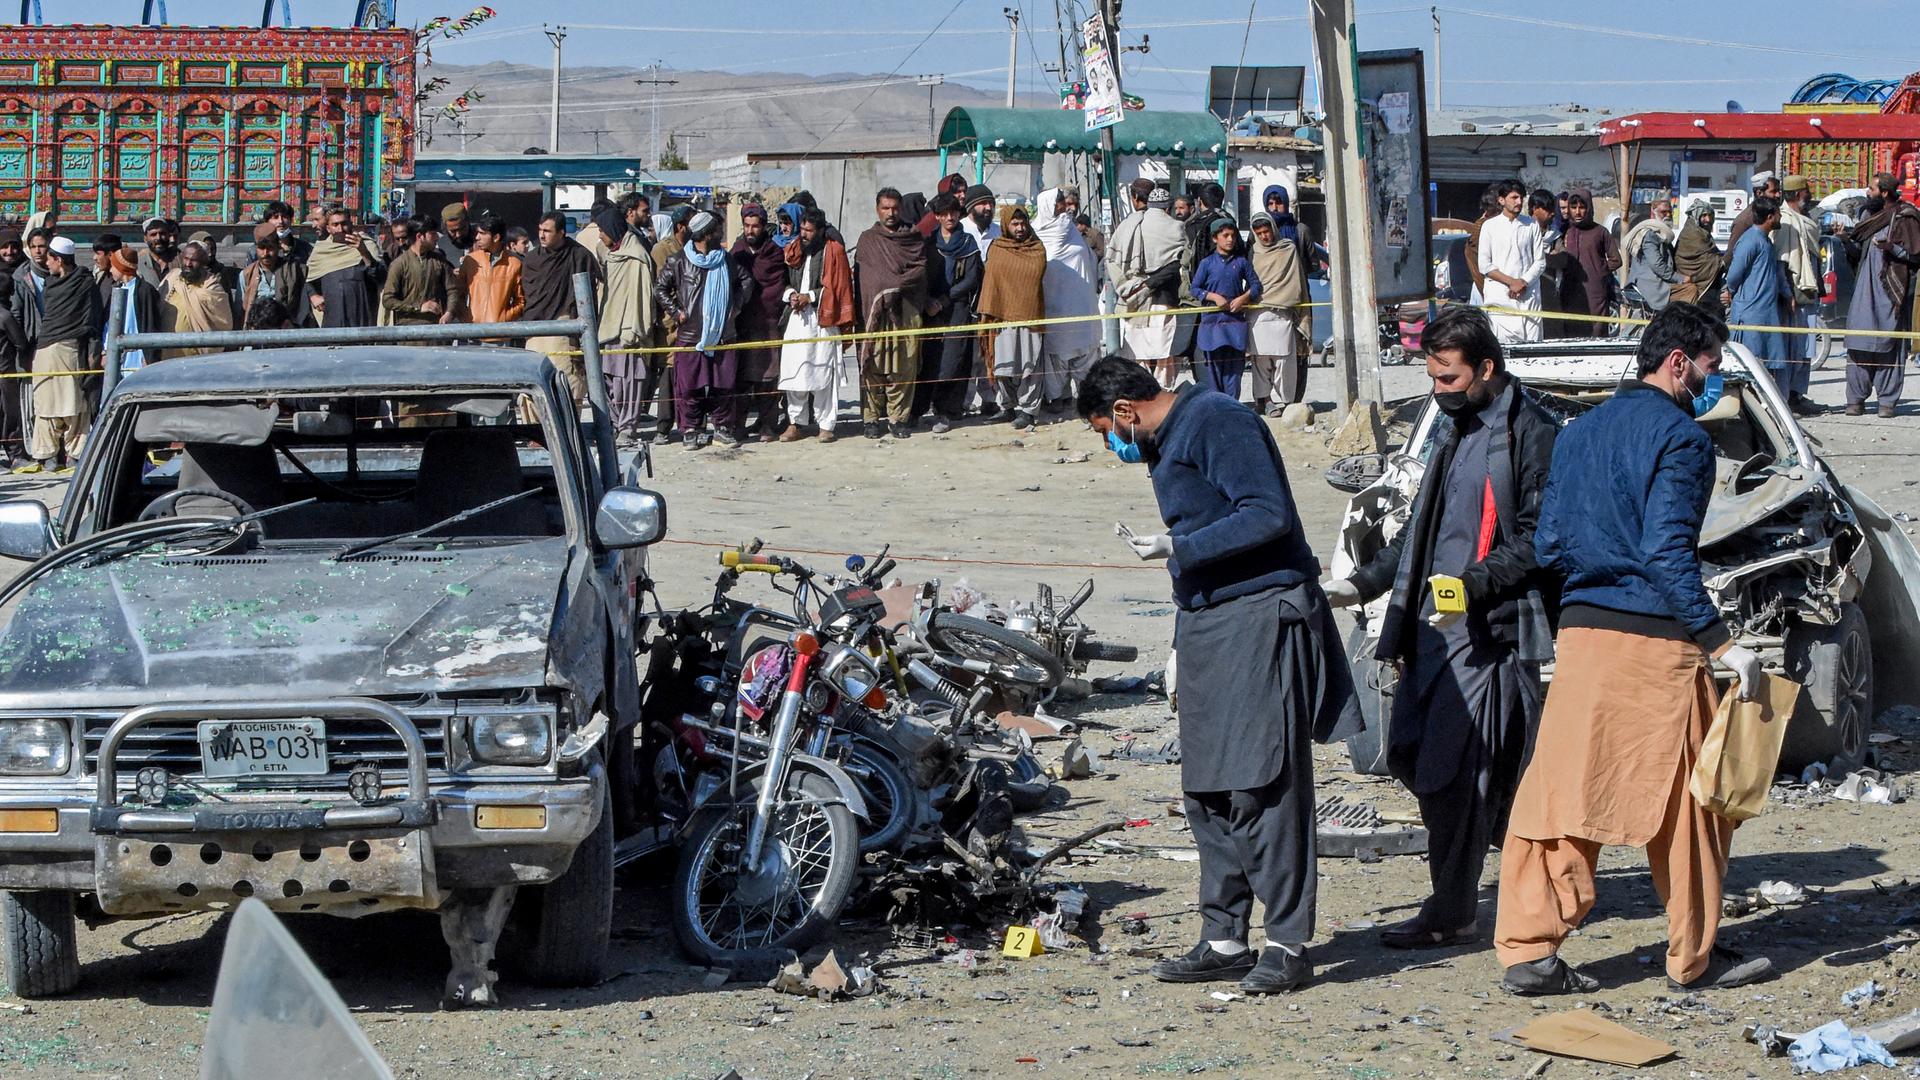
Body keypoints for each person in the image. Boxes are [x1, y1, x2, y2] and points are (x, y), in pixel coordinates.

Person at [1495, 302, 1774, 996]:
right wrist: (1722, 642)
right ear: (1679, 362)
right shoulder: (1683, 440)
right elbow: (1666, 550)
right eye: (1711, 368)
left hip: (1584, 637)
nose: (1713, 383)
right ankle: (1693, 957)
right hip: (1656, 646)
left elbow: (1552, 545)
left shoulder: (1579, 433)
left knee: (1562, 797)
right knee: (1691, 806)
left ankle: (1529, 949)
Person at [1079, 356, 1357, 995]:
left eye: (1106, 431)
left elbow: (1267, 515)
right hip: (1207, 620)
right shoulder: (1169, 440)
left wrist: (1181, 546)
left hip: (1259, 615)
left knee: (1263, 784)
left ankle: (1287, 945)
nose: (1111, 445)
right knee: (1207, 788)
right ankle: (1225, 936)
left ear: (1125, 411)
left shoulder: (1217, 420)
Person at [1323, 306, 1557, 949]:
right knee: (1411, 756)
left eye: (1449, 378)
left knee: (1463, 774)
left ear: (1486, 369)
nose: (1438, 390)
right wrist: (1363, 583)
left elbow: (1544, 539)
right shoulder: (1450, 432)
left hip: (1489, 636)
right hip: (1428, 636)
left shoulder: (1530, 433)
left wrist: (1474, 585)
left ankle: (1457, 907)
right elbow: (1423, 536)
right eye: (1432, 377)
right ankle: (1504, 883)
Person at [852, 188, 940, 440]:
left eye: (894, 208)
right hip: (874, 314)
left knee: (904, 366)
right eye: (885, 208)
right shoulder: (868, 239)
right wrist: (887, 287)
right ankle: (870, 419)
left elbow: (919, 270)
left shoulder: (912, 238)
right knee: (873, 364)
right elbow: (867, 278)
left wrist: (894, 284)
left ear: (900, 209)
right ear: (877, 209)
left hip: (906, 311)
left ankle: (898, 418)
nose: (890, 213)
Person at [656, 210, 746, 449]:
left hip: (723, 335)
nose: (720, 233)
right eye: (716, 229)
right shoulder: (678, 261)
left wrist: (733, 309)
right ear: (706, 234)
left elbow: (745, 282)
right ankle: (690, 430)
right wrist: (677, 313)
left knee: (723, 385)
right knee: (689, 387)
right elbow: (661, 289)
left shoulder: (725, 260)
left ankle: (722, 429)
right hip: (690, 335)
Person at [577, 193, 658, 437]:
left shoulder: (637, 257)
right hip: (608, 327)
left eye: (602, 230)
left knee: (630, 382)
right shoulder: (609, 255)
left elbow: (643, 297)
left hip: (629, 331)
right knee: (607, 380)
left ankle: (627, 428)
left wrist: (635, 329)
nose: (599, 235)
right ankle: (613, 424)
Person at [17, 237, 99, 473]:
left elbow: (90, 318)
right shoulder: (52, 284)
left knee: (74, 404)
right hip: (46, 349)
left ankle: (75, 453)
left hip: (71, 348)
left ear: (59, 260)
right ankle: (48, 454)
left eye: (50, 259)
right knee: (45, 406)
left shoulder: (84, 283)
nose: (47, 263)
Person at [1842, 174, 1920, 417]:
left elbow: (1916, 255)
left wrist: (1893, 248)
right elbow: (1858, 254)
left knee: (1890, 347)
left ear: (1885, 192)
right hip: (1865, 292)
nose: (1867, 192)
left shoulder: (1907, 217)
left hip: (1891, 295)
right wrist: (1845, 241)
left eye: (1871, 188)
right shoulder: (1869, 217)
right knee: (1858, 344)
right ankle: (1855, 401)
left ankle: (1887, 403)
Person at [777, 208, 854, 443]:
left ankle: (826, 425)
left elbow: (838, 289)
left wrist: (808, 297)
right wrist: (791, 295)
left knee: (824, 375)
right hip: (797, 319)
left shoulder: (835, 251)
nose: (804, 234)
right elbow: (784, 281)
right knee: (795, 372)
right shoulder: (794, 250)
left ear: (821, 231)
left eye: (809, 231)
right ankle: (795, 423)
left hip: (824, 320)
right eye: (802, 229)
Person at [1107, 179, 1186, 389]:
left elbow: (1111, 261)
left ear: (1135, 198)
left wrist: (1131, 286)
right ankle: (1162, 394)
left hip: (1133, 298)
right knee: (1164, 353)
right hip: (1165, 298)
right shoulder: (1177, 228)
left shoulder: (1127, 226)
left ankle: (1140, 393)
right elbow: (1181, 263)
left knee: (1137, 350)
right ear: (1167, 208)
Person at [914, 192, 982, 433]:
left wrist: (943, 301)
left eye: (953, 212)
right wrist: (927, 301)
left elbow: (972, 278)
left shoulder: (968, 244)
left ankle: (945, 411)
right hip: (930, 310)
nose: (949, 217)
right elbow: (919, 276)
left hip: (957, 308)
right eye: (944, 213)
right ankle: (918, 409)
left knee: (953, 360)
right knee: (927, 358)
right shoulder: (929, 244)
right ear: (937, 216)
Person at [521, 210, 603, 406]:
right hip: (535, 329)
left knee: (565, 383)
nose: (542, 235)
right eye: (540, 230)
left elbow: (589, 296)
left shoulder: (579, 255)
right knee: (531, 387)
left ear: (561, 233)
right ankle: (535, 434)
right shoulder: (532, 259)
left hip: (564, 328)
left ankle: (567, 434)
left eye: (547, 231)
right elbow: (529, 295)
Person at [977, 206, 1048, 430]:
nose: (1020, 228)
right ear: (1006, 225)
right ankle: (1007, 406)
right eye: (1014, 224)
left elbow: (1034, 275)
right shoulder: (997, 248)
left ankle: (1028, 410)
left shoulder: (1036, 248)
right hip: (1001, 316)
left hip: (1029, 316)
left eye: (1023, 223)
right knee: (1002, 365)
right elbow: (992, 281)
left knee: (1031, 363)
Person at [1029, 187, 1099, 411]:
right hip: (1053, 303)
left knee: (1084, 353)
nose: (1064, 208)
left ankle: (1085, 397)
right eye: (1059, 203)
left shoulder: (1069, 228)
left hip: (1079, 301)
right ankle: (1056, 396)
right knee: (1055, 353)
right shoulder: (1036, 232)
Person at [729, 203, 791, 442]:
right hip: (742, 325)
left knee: (768, 379)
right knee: (742, 380)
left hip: (769, 324)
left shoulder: (775, 252)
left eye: (755, 226)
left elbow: (779, 284)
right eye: (746, 226)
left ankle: (767, 425)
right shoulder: (737, 252)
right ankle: (738, 426)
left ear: (763, 227)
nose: (750, 231)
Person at [1723, 195, 1792, 390]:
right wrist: (1735, 294)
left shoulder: (1766, 242)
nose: (1780, 218)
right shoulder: (1751, 240)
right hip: (1751, 312)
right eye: (1778, 214)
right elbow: (1734, 275)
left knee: (1767, 365)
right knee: (1750, 365)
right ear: (1770, 217)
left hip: (1765, 312)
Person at [1246, 211, 1309, 414]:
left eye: (1267, 231)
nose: (1264, 236)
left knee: (1285, 360)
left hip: (1283, 314)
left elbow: (1297, 283)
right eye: (1259, 233)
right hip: (1258, 314)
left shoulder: (1288, 249)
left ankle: (1288, 402)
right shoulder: (1252, 253)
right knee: (1260, 360)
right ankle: (1264, 400)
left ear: (1273, 229)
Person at [1191, 217, 1260, 400]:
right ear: (1215, 238)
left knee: (1234, 370)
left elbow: (1256, 286)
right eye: (1225, 235)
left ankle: (1232, 403)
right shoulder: (1206, 263)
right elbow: (1195, 289)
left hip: (1234, 323)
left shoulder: (1241, 262)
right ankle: (1219, 404)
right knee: (1213, 370)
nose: (1230, 239)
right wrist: (1214, 297)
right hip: (1212, 324)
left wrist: (1243, 299)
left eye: (1233, 235)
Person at [1773, 177, 1823, 415]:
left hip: (1809, 290)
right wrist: (1787, 293)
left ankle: (1798, 394)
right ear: (1798, 194)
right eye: (1806, 192)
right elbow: (1782, 261)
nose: (1809, 195)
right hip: (1794, 292)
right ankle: (1789, 396)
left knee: (1806, 347)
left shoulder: (1806, 221)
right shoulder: (1785, 222)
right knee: (1793, 346)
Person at [1477, 180, 1544, 343]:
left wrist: (1523, 282)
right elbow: (1484, 265)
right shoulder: (1490, 226)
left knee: (1533, 349)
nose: (1519, 202)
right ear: (1501, 200)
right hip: (1501, 297)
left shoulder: (1531, 224)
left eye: (1521, 198)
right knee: (1504, 350)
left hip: (1528, 295)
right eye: (1514, 197)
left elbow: (1540, 262)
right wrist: (1511, 282)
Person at [306, 207, 384, 329]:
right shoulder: (321, 250)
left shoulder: (366, 244)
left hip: (361, 312)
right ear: (328, 228)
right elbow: (307, 279)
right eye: (335, 224)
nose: (340, 229)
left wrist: (363, 252)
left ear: (351, 224)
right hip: (333, 313)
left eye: (344, 224)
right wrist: (313, 295)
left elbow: (380, 277)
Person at [1557, 189, 1619, 337]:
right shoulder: (1566, 231)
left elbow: (1616, 260)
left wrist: (1598, 271)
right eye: (1573, 207)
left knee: (1596, 331)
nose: (1578, 212)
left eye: (1582, 207)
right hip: (1570, 291)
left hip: (1595, 292)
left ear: (1589, 208)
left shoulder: (1600, 232)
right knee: (1572, 331)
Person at [380, 216, 460, 328]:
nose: (437, 237)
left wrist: (449, 312)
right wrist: (418, 307)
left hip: (437, 329)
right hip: (408, 332)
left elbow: (452, 290)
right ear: (419, 236)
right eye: (432, 234)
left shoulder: (439, 261)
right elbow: (388, 300)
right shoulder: (399, 264)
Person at [160, 241, 235, 358]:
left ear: (204, 263)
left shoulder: (212, 288)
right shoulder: (173, 278)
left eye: (194, 260)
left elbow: (225, 323)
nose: (188, 264)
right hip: (167, 354)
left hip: (197, 358)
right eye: (185, 258)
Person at [456, 212, 525, 326]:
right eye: (477, 233)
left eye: (482, 233)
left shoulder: (514, 264)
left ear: (496, 237)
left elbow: (521, 300)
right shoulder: (471, 261)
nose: (477, 237)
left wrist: (504, 318)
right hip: (471, 332)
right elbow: (457, 294)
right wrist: (466, 317)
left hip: (500, 335)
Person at [104, 248, 161, 376]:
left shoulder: (144, 291)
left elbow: (150, 324)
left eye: (113, 266)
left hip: (138, 357)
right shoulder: (118, 290)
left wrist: (149, 357)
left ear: (122, 268)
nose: (111, 270)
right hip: (119, 355)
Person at [241, 227, 309, 327]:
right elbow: (241, 308)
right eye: (261, 248)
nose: (265, 253)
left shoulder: (294, 269)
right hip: (257, 329)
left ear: (278, 247)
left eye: (270, 248)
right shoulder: (247, 274)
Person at [1623, 199, 1681, 315]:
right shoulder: (1650, 235)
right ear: (1653, 213)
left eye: (1670, 212)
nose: (1668, 215)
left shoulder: (1663, 235)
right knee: (1689, 291)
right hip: (1650, 284)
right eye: (1663, 212)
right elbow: (1657, 265)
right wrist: (1679, 278)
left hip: (1660, 281)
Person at [1527, 190, 1567, 337]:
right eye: (1548, 209)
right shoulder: (1523, 231)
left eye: (1553, 209)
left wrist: (1541, 258)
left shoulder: (1554, 235)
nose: (1552, 213)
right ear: (1535, 208)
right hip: (1527, 292)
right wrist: (1547, 256)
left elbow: (1562, 259)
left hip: (1549, 292)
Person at [1672, 203, 1724, 308]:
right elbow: (1703, 259)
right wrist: (1721, 261)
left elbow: (1710, 254)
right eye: (1704, 216)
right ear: (1696, 216)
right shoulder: (1691, 233)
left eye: (1710, 216)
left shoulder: (1703, 233)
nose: (1708, 220)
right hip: (1692, 280)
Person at [137, 217, 179, 291]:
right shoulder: (138, 263)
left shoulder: (180, 260)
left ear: (168, 236)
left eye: (162, 233)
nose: (158, 238)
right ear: (145, 239)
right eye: (153, 235)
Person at [962, 184, 1001, 256]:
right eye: (983, 203)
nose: (988, 208)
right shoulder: (960, 229)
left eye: (991, 203)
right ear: (971, 207)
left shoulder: (998, 231)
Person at [437, 201, 476, 267]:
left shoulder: (481, 239)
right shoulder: (440, 245)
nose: (458, 234)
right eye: (453, 231)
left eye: (462, 229)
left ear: (467, 222)